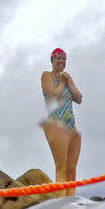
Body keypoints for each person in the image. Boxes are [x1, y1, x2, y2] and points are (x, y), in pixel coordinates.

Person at [41, 48, 82, 197]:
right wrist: (62, 83)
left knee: (72, 168)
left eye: (64, 59)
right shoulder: (47, 75)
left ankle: (71, 201)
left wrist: (69, 83)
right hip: (56, 124)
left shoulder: (67, 77)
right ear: (52, 60)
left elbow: (79, 98)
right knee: (62, 167)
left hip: (71, 125)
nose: (61, 61)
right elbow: (52, 96)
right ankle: (61, 203)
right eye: (58, 58)